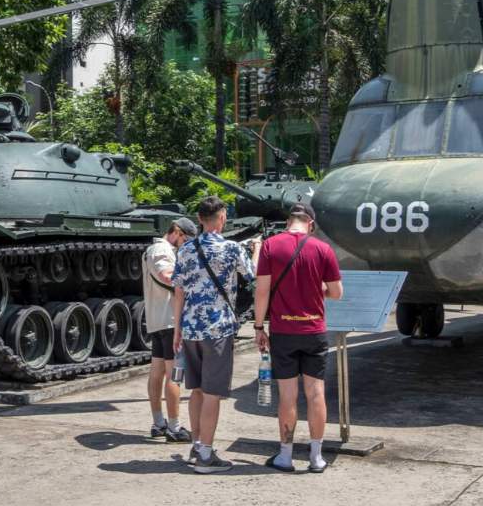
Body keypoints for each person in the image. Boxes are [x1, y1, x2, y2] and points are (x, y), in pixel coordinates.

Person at [172, 196, 259, 473]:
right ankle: (207, 457)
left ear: (199, 219)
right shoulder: (231, 249)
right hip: (218, 329)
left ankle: (197, 444)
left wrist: (177, 329)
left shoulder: (185, 250)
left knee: (196, 391)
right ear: (222, 218)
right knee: (213, 394)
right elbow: (254, 275)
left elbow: (179, 291)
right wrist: (257, 249)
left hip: (190, 329)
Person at [254, 203, 343, 473]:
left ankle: (285, 455)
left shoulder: (270, 246)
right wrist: (319, 293)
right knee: (316, 394)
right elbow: (337, 292)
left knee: (287, 397)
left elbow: (262, 292)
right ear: (310, 224)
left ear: (287, 222)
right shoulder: (323, 249)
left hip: (283, 332)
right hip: (314, 331)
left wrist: (259, 327)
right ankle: (316, 457)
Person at [142, 217, 198, 443]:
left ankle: (159, 423)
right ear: (176, 232)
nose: (185, 245)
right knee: (174, 374)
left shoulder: (153, 249)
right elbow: (167, 276)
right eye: (185, 239)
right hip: (169, 322)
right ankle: (174, 427)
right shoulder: (162, 250)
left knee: (157, 372)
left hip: (158, 320)